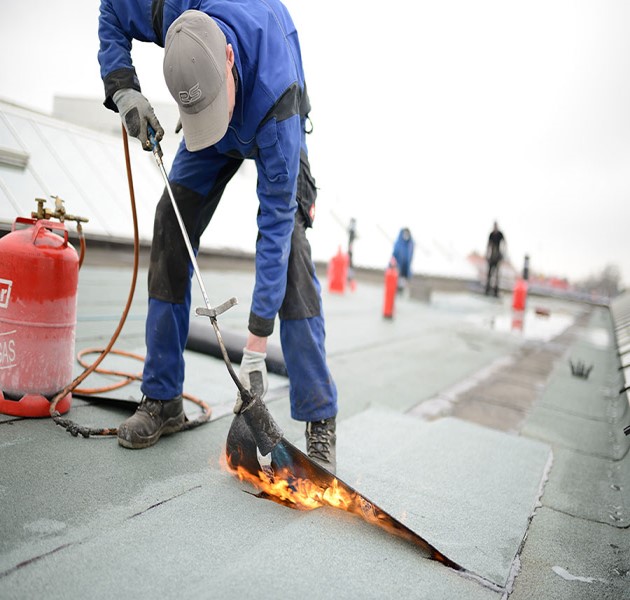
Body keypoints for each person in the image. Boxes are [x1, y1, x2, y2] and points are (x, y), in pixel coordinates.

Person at [97, 1, 338, 471]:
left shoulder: (277, 97)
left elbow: (270, 229)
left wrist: (255, 339)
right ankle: (163, 398)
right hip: (216, 107)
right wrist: (123, 87)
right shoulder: (173, 14)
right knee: (171, 221)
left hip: (268, 115)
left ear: (227, 58)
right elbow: (110, 11)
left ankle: (319, 417)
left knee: (289, 250)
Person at [485, 221, 506, 297]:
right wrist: (487, 255)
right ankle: (487, 290)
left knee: (497, 275)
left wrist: (502, 254)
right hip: (492, 256)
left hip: (497, 257)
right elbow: (488, 245)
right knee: (489, 274)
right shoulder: (491, 234)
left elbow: (504, 243)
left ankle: (495, 291)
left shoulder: (500, 234)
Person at [392, 228, 415, 293]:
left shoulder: (410, 244)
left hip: (405, 268)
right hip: (398, 266)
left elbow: (410, 256)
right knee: (397, 280)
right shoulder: (398, 243)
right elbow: (394, 254)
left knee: (403, 281)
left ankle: (401, 290)